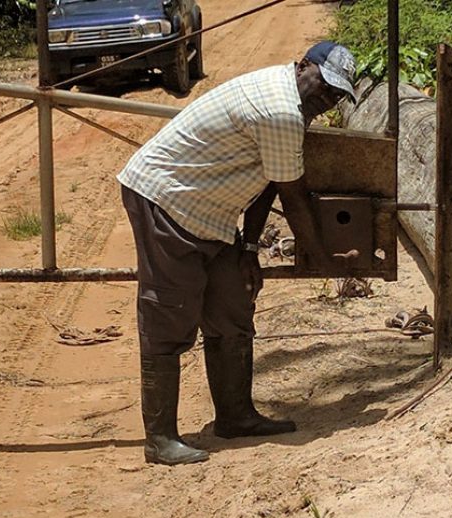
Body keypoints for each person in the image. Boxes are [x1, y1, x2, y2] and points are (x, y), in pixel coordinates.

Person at [117, 41, 357, 466]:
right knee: (169, 314)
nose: (326, 99)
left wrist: (249, 246)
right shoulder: (281, 110)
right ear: (302, 64)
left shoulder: (290, 107)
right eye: (324, 86)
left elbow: (268, 180)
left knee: (232, 305)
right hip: (167, 199)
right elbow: (294, 197)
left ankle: (235, 416)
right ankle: (159, 438)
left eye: (336, 95)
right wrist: (319, 258)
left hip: (211, 211)